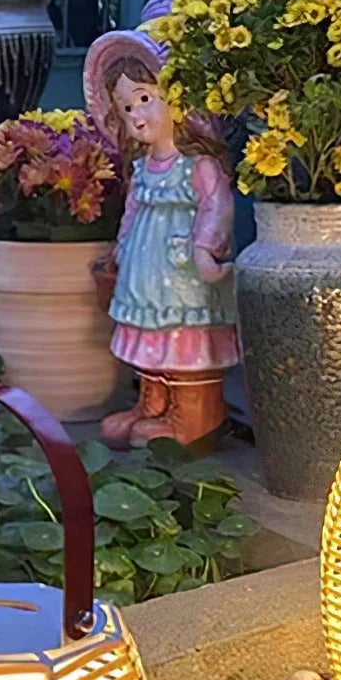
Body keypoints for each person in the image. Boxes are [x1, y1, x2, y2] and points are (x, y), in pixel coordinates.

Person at [83, 28, 238, 447]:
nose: (136, 115)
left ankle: (195, 413)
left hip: (185, 278)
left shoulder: (198, 164)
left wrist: (206, 249)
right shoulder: (145, 165)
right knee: (151, 341)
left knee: (185, 342)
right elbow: (133, 208)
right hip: (146, 279)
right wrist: (120, 247)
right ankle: (153, 402)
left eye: (145, 99)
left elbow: (216, 205)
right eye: (126, 106)